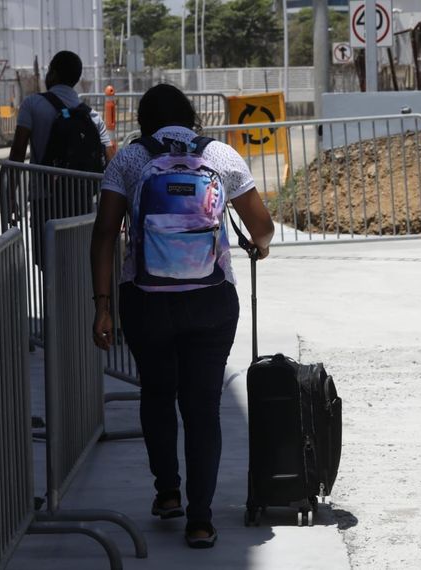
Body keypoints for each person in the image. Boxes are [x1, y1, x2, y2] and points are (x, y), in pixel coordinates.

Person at [89, 84, 274, 548]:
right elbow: (263, 227)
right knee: (203, 407)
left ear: (143, 119)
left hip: (146, 298)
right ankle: (201, 519)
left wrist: (103, 306)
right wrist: (261, 247)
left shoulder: (129, 161)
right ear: (192, 116)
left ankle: (168, 492)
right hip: (211, 301)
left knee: (156, 392)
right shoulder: (223, 157)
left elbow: (105, 234)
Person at [9, 50, 117, 268]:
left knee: (48, 264)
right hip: (81, 200)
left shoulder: (32, 105)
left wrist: (11, 196)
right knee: (76, 265)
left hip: (44, 199)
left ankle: (51, 302)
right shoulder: (90, 115)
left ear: (54, 74)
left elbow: (18, 151)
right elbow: (111, 159)